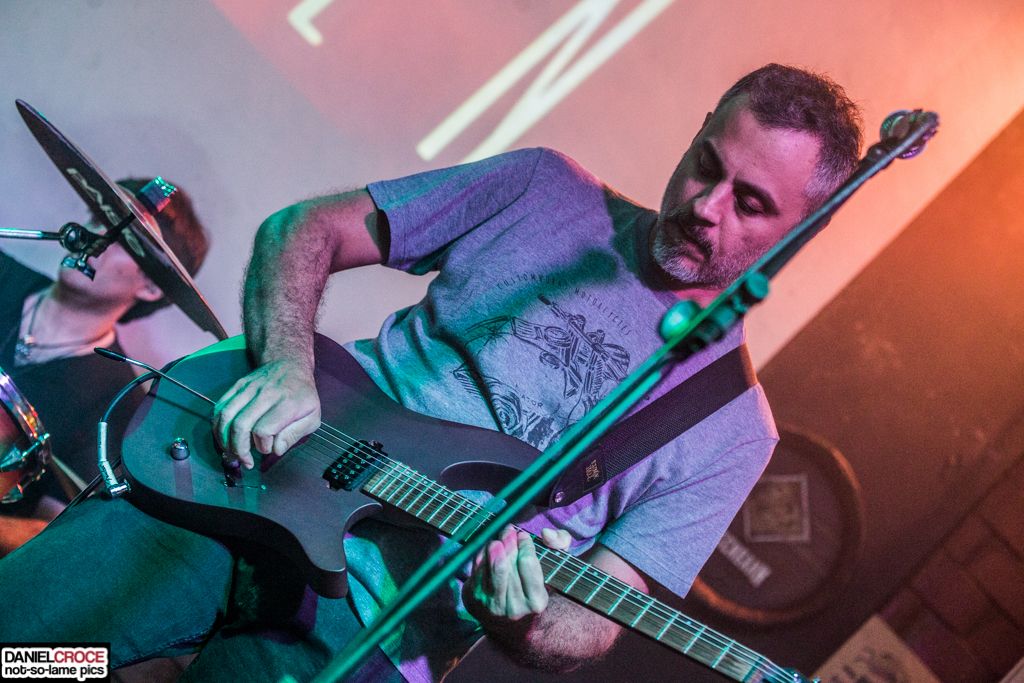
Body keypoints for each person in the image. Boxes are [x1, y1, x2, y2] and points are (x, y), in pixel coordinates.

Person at [0, 64, 862, 682]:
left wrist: (528, 616)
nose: (706, 205)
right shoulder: (546, 189)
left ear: (804, 229)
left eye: (751, 203)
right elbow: (305, 229)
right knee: (32, 656)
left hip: (366, 637)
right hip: (241, 482)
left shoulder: (731, 429)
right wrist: (290, 368)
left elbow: (595, 618)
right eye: (708, 162)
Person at [0, 178, 209, 552]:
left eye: (123, 238)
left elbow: (51, 534)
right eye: (99, 218)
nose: (96, 236)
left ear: (151, 287)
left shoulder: (117, 408)